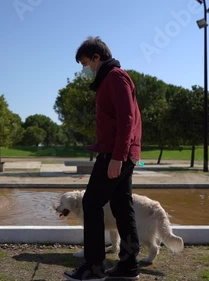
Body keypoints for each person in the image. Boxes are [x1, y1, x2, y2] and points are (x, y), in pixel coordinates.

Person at [64, 36, 142, 281]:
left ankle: (94, 268)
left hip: (116, 155)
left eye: (85, 63)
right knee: (121, 206)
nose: (85, 69)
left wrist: (117, 157)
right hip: (121, 153)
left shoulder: (115, 77)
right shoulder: (110, 79)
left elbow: (127, 119)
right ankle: (128, 267)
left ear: (97, 58)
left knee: (91, 203)